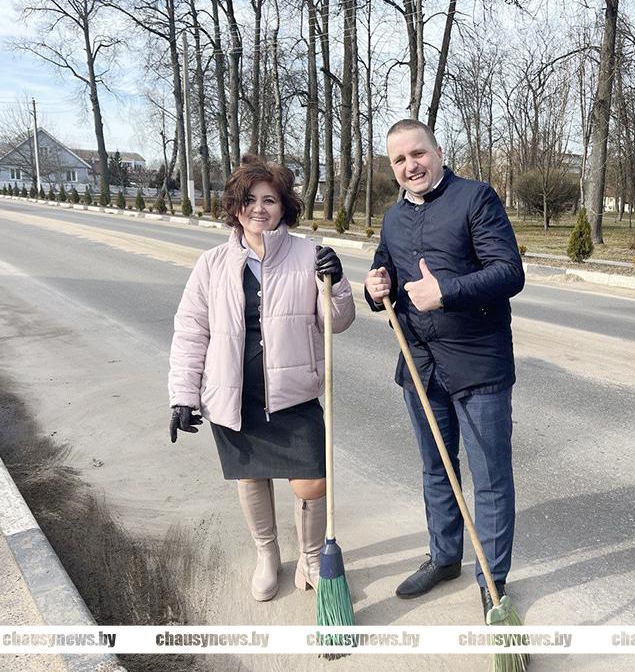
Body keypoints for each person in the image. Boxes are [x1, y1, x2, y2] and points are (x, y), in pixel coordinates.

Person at [168, 154, 355, 602]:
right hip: (235, 394)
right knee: (252, 479)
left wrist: (339, 282)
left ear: (283, 206)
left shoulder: (309, 255)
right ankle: (267, 555)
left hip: (294, 395)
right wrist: (182, 395)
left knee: (312, 480)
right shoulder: (211, 264)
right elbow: (191, 331)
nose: (258, 208)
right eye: (248, 199)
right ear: (235, 207)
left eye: (269, 199)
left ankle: (311, 556)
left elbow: (338, 322)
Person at [363, 119, 525, 617]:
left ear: (437, 151)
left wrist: (446, 292)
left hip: (478, 365)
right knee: (438, 469)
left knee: (490, 477)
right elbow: (384, 273)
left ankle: (491, 579)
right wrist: (376, 287)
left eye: (418, 154)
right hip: (419, 365)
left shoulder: (476, 199)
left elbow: (509, 272)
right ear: (392, 169)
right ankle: (444, 556)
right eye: (399, 160)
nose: (411, 165)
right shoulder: (392, 218)